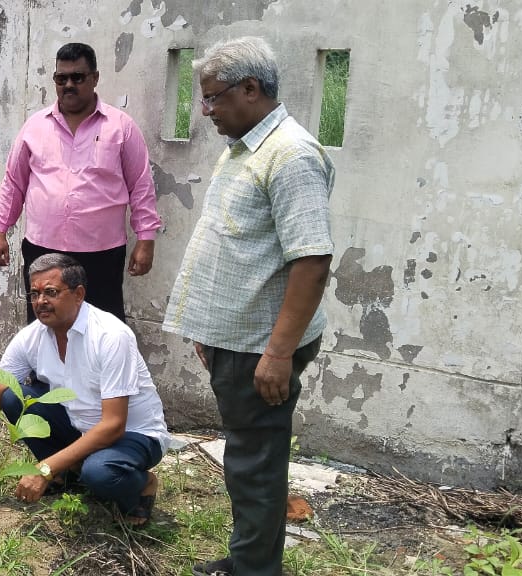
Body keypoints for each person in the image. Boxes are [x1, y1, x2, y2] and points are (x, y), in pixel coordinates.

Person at [162, 37, 335, 576]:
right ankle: (249, 560)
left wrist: (278, 353)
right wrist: (205, 328)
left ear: (252, 89)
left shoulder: (290, 155)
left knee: (254, 464)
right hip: (234, 339)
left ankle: (254, 570)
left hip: (261, 345)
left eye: (214, 98)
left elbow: (311, 260)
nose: (206, 111)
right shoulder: (246, 147)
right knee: (248, 458)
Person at [0, 254, 169, 524]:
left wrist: (44, 467)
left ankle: (142, 484)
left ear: (78, 294)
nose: (40, 302)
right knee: (11, 396)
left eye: (50, 292)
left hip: (133, 435)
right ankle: (67, 473)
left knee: (99, 473)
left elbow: (113, 425)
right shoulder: (33, 337)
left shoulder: (111, 336)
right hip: (79, 425)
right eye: (34, 293)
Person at [0, 42, 161, 323]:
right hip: (43, 250)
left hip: (101, 254)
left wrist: (146, 239)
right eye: (62, 78)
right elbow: (13, 182)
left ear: (94, 78)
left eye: (78, 77)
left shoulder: (120, 127)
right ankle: (44, 370)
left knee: (103, 330)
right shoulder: (34, 126)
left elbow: (140, 185)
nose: (69, 85)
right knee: (44, 325)